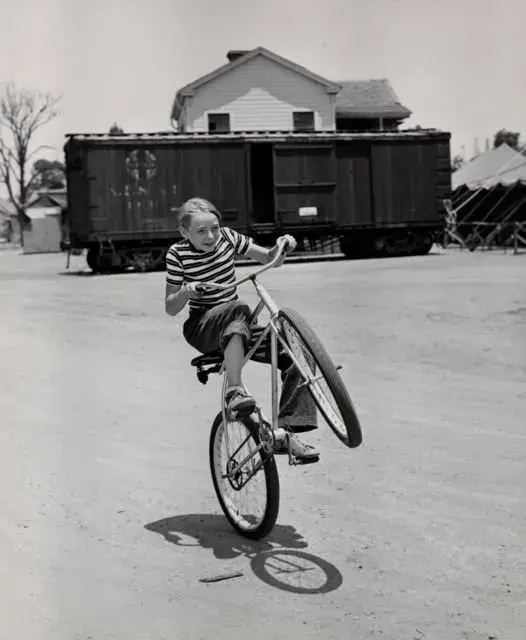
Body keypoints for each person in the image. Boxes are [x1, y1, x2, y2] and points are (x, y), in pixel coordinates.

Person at [165, 197, 320, 463]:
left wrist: (282, 246)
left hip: (239, 324)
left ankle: (285, 432)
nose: (211, 236)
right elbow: (170, 306)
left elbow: (269, 258)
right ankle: (234, 390)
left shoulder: (228, 238)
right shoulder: (177, 254)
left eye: (214, 228)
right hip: (203, 326)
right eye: (201, 231)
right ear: (184, 233)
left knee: (296, 350)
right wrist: (186, 291)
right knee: (238, 307)